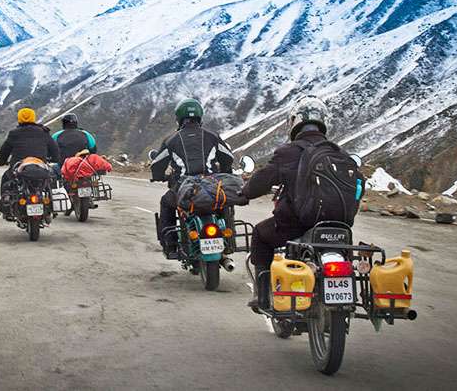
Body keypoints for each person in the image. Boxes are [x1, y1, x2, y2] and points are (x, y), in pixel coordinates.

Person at [242, 96, 360, 311]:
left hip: (296, 225)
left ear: (294, 122)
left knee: (260, 233)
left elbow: (261, 182)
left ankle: (263, 296)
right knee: (345, 252)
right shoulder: (339, 153)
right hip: (339, 227)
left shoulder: (288, 152)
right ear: (323, 122)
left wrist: (245, 193)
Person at [150, 98, 235, 255]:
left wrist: (159, 176)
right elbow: (228, 157)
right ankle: (229, 241)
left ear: (179, 118)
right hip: (211, 185)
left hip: (184, 188)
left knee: (166, 203)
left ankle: (171, 244)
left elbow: (156, 164)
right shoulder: (212, 136)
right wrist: (226, 170)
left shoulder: (171, 140)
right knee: (224, 202)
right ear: (200, 116)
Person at [0, 107, 60, 212]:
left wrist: (1, 161)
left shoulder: (14, 133)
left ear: (19, 118)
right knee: (48, 182)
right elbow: (55, 149)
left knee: (6, 178)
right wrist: (55, 159)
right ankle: (50, 206)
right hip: (40, 166)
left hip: (19, 166)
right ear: (33, 118)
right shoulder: (44, 132)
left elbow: (5, 150)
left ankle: (6, 203)